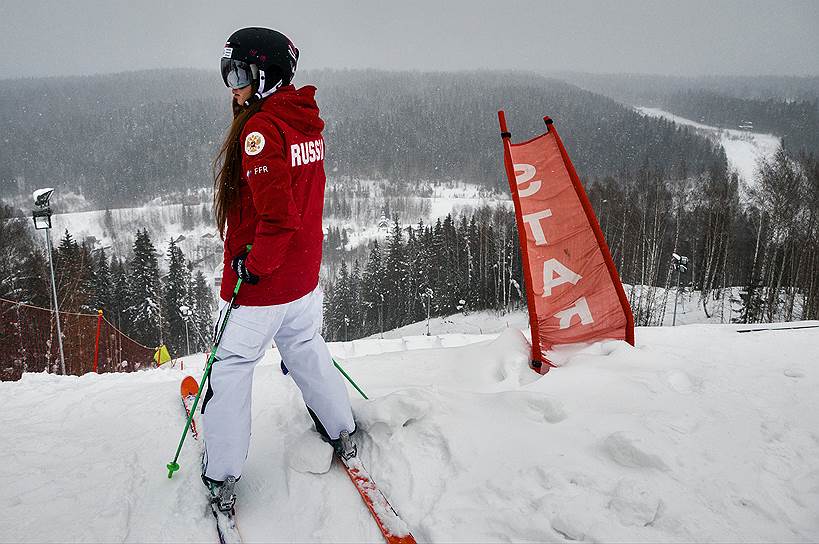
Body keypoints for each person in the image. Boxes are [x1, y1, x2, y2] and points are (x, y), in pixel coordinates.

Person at [203, 27, 356, 511]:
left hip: (263, 284)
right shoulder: (303, 121)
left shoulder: (260, 131)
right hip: (303, 278)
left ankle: (221, 472)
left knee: (231, 366)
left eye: (241, 72)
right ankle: (340, 428)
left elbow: (278, 216)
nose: (233, 85)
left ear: (266, 74)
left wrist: (254, 267)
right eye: (227, 72)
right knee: (306, 347)